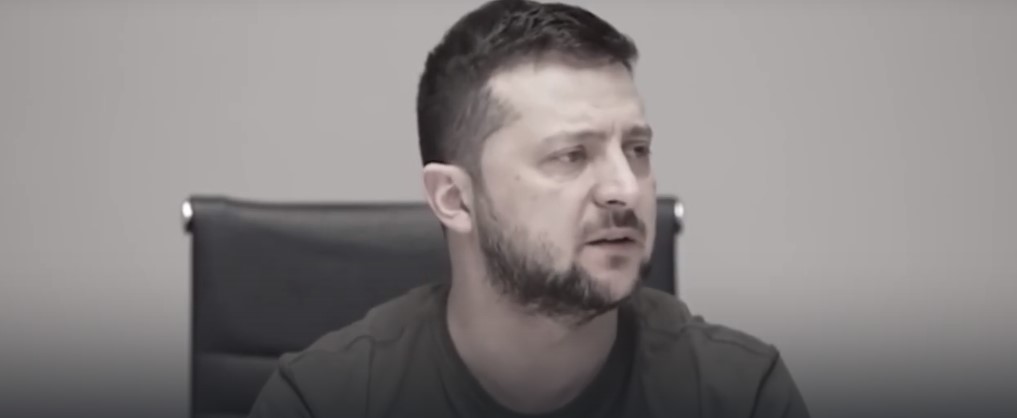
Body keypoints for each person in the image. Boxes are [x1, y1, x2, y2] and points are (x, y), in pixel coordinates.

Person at [247, 0, 810, 417]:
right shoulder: (323, 401)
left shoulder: (740, 395)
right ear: (454, 199)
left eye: (637, 149)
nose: (625, 188)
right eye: (571, 155)